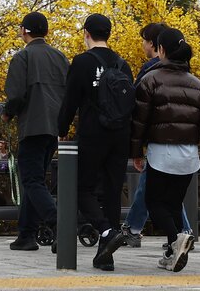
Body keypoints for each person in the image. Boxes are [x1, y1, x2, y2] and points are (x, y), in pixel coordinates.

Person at [131, 26, 200, 273]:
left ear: (161, 50)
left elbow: (139, 122)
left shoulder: (150, 81)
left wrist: (136, 151)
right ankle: (173, 250)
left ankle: (177, 238)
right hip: (188, 155)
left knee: (155, 203)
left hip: (161, 153)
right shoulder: (198, 85)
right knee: (172, 204)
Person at [58, 13, 134, 271]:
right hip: (120, 134)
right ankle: (106, 256)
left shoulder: (82, 62)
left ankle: (105, 231)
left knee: (82, 188)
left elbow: (70, 100)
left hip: (93, 133)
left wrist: (61, 128)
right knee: (112, 191)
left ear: (86, 33)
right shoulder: (123, 64)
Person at [2, 11, 69, 252]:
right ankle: (26, 234)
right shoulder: (60, 57)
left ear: (24, 31)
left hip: (32, 125)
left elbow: (17, 94)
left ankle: (58, 223)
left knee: (31, 179)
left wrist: (8, 113)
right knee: (35, 180)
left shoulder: (23, 57)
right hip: (54, 128)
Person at [122, 22, 180, 247]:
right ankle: (182, 231)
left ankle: (136, 229)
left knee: (153, 183)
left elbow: (136, 102)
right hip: (181, 138)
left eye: (144, 41)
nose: (143, 45)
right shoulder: (183, 70)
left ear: (155, 45)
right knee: (166, 187)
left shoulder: (150, 70)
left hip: (158, 135)